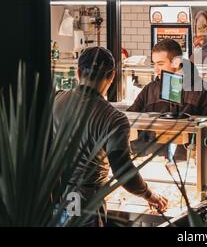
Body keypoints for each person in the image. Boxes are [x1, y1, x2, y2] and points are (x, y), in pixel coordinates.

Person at [53, 47, 168, 227]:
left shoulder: (57, 99)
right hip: (86, 201)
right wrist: (148, 194)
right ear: (112, 76)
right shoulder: (113, 118)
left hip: (56, 196)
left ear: (78, 72)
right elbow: (122, 170)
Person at [127, 39, 207, 162]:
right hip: (152, 160)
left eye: (160, 64)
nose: (156, 69)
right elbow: (130, 118)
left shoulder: (203, 90)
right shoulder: (150, 89)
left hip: (189, 163)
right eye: (154, 64)